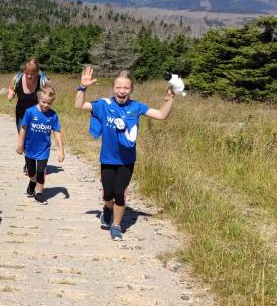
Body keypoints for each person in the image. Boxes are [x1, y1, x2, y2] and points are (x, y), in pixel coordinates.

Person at [74, 67, 174, 241]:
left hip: (126, 161)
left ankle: (116, 225)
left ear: (131, 89)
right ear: (113, 88)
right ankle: (107, 208)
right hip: (108, 159)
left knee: (119, 193)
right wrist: (82, 87)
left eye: (126, 88)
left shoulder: (136, 107)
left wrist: (170, 98)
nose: (122, 91)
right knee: (108, 194)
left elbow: (161, 114)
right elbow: (79, 105)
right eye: (118, 87)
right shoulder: (104, 105)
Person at [16, 85, 64, 205]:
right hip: (30, 148)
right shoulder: (30, 112)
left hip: (44, 149)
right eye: (43, 102)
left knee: (41, 172)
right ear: (39, 99)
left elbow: (57, 132)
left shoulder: (53, 115)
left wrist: (61, 151)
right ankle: (32, 182)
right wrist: (20, 145)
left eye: (49, 103)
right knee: (31, 172)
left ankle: (39, 193)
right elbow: (23, 129)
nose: (46, 105)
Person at [6, 57, 49, 132]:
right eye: (27, 73)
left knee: (35, 137)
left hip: (38, 116)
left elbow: (50, 96)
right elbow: (11, 89)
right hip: (21, 115)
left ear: (37, 72)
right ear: (24, 70)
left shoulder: (43, 82)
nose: (29, 76)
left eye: (32, 74)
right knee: (22, 137)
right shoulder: (17, 79)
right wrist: (11, 93)